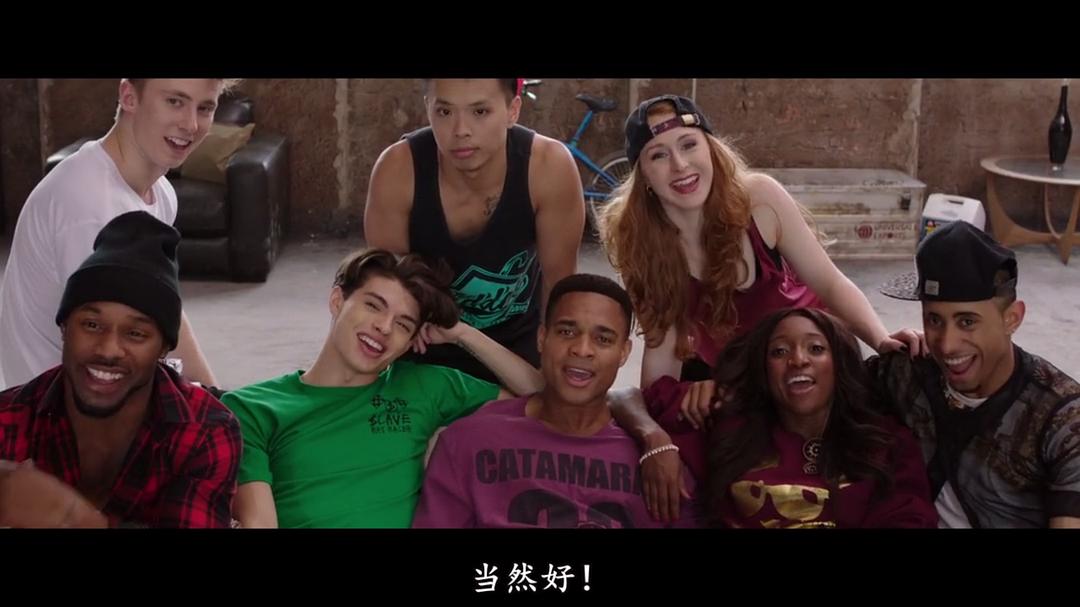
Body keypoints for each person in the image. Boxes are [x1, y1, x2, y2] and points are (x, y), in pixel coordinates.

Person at [598, 94, 922, 422]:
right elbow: (664, 352)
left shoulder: (759, 199)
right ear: (644, 176)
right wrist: (656, 424)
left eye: (689, 145)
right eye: (659, 155)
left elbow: (830, 284)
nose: (680, 165)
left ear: (711, 149)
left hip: (805, 362)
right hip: (734, 382)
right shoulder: (640, 242)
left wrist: (881, 340)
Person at [224, 249, 548, 528]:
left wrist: (463, 334)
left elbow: (543, 397)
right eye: (373, 306)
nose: (384, 327)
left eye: (403, 324)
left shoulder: (425, 386)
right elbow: (259, 523)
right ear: (337, 301)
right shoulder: (252, 408)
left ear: (411, 342)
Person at [0, 211, 241, 528]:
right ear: (64, 327)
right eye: (91, 325)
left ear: (164, 349)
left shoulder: (205, 430)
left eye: (136, 334)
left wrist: (71, 516)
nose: (108, 350)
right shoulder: (9, 418)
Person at [0, 78, 236, 389]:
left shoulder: (160, 193)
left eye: (204, 108)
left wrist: (219, 399)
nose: (191, 124)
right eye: (174, 102)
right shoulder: (89, 206)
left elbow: (164, 313)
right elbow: (108, 354)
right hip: (56, 407)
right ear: (129, 96)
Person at [413, 274, 696, 528]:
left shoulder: (660, 465)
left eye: (603, 339)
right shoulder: (468, 441)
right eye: (566, 332)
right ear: (542, 338)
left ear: (624, 353)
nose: (582, 349)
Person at [364, 78, 586, 383]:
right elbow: (381, 289)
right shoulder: (398, 169)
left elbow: (560, 290)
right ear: (428, 108)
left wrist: (553, 380)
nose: (460, 131)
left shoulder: (548, 167)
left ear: (513, 110)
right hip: (423, 343)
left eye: (480, 112)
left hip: (517, 347)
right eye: (444, 112)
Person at [872, 220, 1080, 528]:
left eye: (967, 322)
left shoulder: (1062, 418)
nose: (947, 344)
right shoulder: (906, 372)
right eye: (934, 320)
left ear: (1012, 318)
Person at [650, 307, 936, 528]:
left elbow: (910, 517)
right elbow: (631, 399)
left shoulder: (884, 441)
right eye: (779, 351)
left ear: (840, 364)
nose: (798, 360)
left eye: (816, 348)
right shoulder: (730, 423)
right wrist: (654, 438)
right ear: (764, 369)